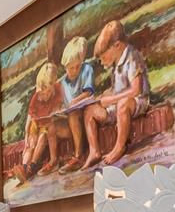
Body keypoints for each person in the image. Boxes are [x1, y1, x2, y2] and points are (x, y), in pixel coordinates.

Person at [80, 20, 151, 169]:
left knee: (122, 104)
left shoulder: (132, 57)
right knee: (89, 111)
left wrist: (111, 99)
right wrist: (103, 97)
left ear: (117, 45)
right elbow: (117, 89)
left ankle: (119, 147)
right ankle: (94, 151)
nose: (102, 62)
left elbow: (136, 90)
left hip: (137, 102)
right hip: (118, 105)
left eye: (103, 57)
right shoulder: (116, 64)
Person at [17, 62, 63, 182]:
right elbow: (29, 119)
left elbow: (60, 107)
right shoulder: (36, 98)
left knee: (42, 138)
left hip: (46, 126)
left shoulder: (58, 90)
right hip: (35, 124)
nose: (45, 96)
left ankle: (31, 167)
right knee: (31, 144)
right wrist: (26, 136)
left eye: (48, 92)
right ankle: (24, 166)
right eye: (43, 93)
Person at [55, 36, 95, 174]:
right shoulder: (62, 83)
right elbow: (60, 102)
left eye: (78, 66)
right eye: (71, 68)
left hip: (83, 114)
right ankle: (59, 158)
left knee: (73, 114)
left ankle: (78, 156)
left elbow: (88, 93)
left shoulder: (87, 69)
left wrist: (75, 101)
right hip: (69, 117)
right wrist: (59, 109)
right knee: (53, 126)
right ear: (65, 67)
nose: (74, 70)